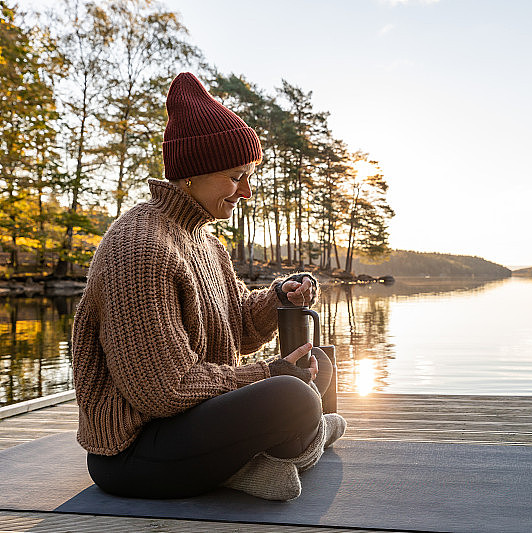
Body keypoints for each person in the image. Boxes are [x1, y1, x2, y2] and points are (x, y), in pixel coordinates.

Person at [70, 72, 345, 502]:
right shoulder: (139, 248)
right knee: (293, 395)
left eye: (249, 175)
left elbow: (238, 328)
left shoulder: (205, 241)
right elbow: (164, 391)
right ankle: (298, 446)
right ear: (192, 173)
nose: (246, 191)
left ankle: (251, 464)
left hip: (194, 420)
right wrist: (266, 375)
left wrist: (278, 298)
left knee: (317, 363)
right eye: (236, 176)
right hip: (136, 450)